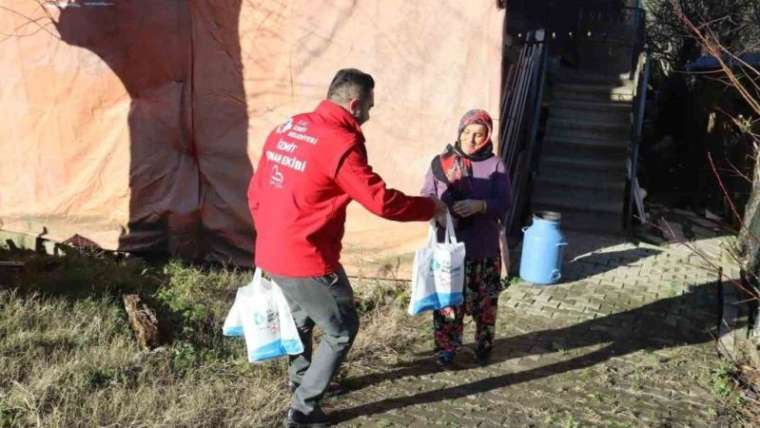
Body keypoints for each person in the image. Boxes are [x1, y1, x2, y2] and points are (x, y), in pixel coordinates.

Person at [247, 68, 447, 428]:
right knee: (341, 328)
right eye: (369, 107)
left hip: (272, 249)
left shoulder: (288, 128)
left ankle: (302, 382)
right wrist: (431, 207)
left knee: (302, 321)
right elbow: (380, 201)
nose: (369, 116)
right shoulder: (339, 142)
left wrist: (271, 235)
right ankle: (303, 409)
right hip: (307, 258)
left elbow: (255, 191)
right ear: (354, 104)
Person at [420, 109, 511, 367]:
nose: (471, 139)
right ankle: (446, 348)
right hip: (449, 249)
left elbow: (505, 201)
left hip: (483, 248)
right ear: (459, 133)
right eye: (467, 133)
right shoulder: (441, 163)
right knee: (448, 301)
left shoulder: (495, 165)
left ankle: (483, 344)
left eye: (478, 134)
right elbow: (426, 194)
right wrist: (435, 210)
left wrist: (480, 205)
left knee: (485, 302)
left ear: (486, 137)